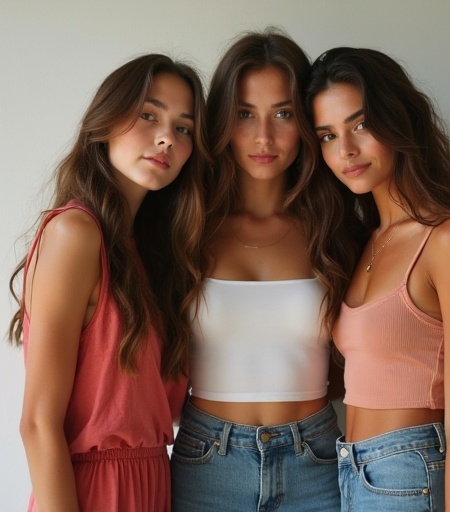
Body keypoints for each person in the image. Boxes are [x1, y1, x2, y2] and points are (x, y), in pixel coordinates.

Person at [306, 47, 450, 511]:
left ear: (398, 118)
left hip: (408, 473)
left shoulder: (446, 239)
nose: (346, 150)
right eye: (327, 135)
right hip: (347, 472)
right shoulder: (362, 243)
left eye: (360, 124)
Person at [8, 53, 209, 512]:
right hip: (91, 493)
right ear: (105, 120)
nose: (166, 138)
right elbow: (38, 423)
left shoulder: (152, 257)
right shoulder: (75, 234)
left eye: (184, 128)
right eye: (148, 114)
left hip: (156, 485)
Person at [170, 30, 361, 511]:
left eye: (283, 114)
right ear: (221, 123)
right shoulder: (186, 227)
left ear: (306, 122)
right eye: (244, 114)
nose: (263, 137)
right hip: (207, 459)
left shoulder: (337, 230)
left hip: (314, 460)